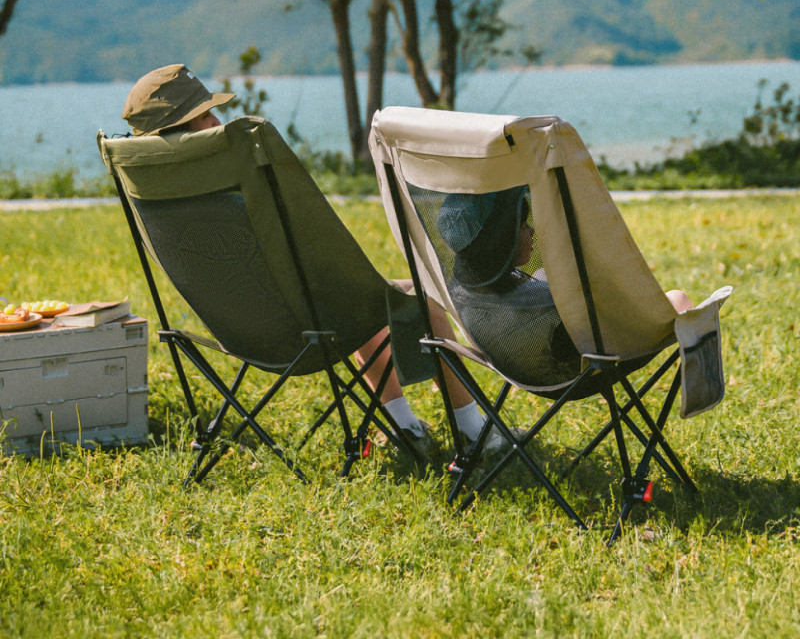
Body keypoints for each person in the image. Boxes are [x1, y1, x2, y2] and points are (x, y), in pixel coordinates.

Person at [122, 64, 495, 453]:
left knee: (364, 300)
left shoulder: (165, 200)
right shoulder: (236, 193)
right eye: (205, 115)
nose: (217, 121)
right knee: (421, 299)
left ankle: (404, 428)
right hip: (307, 329)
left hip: (241, 334)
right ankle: (475, 433)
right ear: (185, 131)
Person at [437, 187, 693, 389]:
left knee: (543, 273)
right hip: (582, 371)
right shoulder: (545, 302)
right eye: (524, 226)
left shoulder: (462, 293)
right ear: (504, 242)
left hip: (521, 366)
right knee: (678, 299)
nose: (532, 231)